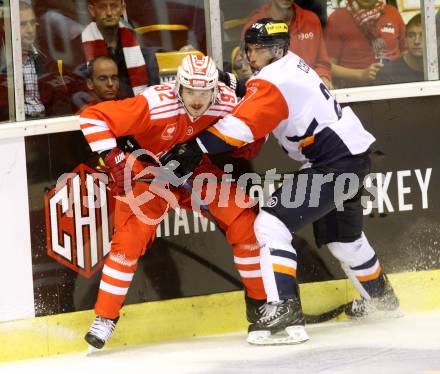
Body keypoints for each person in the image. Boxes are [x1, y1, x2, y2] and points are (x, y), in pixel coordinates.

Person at [163, 19, 401, 345]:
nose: (257, 54)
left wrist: (194, 147)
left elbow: (242, 128)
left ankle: (284, 309)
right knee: (345, 241)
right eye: (257, 48)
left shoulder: (274, 81)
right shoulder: (291, 66)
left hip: (331, 165)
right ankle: (383, 301)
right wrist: (228, 80)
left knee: (270, 224)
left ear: (277, 49)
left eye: (263, 49)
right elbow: (260, 87)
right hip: (352, 158)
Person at [78, 54, 266, 349]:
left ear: (215, 89)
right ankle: (105, 317)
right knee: (128, 241)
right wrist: (114, 161)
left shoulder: (226, 101)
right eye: (190, 90)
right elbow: (92, 117)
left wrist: (251, 141)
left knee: (244, 222)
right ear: (178, 85)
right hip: (148, 171)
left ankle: (260, 307)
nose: (197, 99)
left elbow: (259, 116)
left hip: (196, 171)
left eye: (204, 92)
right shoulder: (155, 102)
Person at [70, 0, 160, 110]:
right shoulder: (76, 48)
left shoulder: (139, 42)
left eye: (114, 6)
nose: (109, 12)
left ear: (122, 8)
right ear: (92, 10)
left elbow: (153, 89)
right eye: (102, 7)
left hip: (137, 113)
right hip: (97, 118)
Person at [0, 1, 71, 120]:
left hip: (45, 127)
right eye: (22, 24)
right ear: (6, 27)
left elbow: (61, 101)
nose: (30, 30)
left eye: (32, 23)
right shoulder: (2, 63)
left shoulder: (46, 61)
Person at [242, 0, 333, 88]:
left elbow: (322, 63)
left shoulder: (311, 19)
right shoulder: (254, 25)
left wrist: (323, 77)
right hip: (272, 90)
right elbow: (248, 67)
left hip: (309, 89)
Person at [326, 0, 406, 88]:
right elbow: (327, 66)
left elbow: (405, 54)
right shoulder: (337, 18)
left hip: (395, 86)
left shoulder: (392, 12)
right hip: (354, 91)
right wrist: (360, 74)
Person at [374, 13, 423, 85]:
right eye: (411, 36)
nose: (416, 41)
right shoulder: (388, 73)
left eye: (423, 36)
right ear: (405, 41)